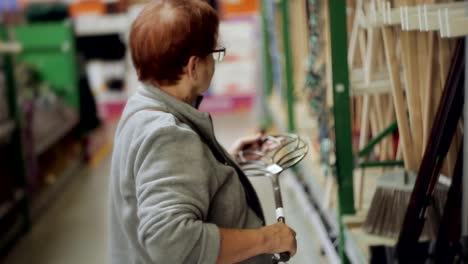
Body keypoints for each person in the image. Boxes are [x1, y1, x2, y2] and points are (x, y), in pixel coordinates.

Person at [108, 1, 297, 263]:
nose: (214, 63)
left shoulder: (141, 106)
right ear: (193, 67)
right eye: (212, 53)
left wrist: (219, 162)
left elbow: (168, 178)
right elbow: (171, 243)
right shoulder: (167, 136)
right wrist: (269, 239)